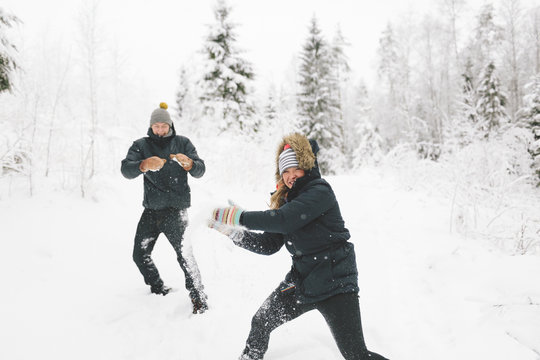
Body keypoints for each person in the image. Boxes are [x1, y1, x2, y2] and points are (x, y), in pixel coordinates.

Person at [208, 133, 389, 360]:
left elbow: (283, 220)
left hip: (336, 283)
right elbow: (269, 245)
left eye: (295, 169)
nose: (291, 175)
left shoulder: (319, 191)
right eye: (285, 171)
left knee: (355, 353)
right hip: (302, 281)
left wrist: (239, 217)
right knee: (261, 322)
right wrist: (234, 233)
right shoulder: (288, 202)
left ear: (306, 167)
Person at [121, 102, 208, 314]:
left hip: (176, 211)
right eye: (156, 126)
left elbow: (200, 169)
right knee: (139, 254)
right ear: (151, 127)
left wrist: (190, 164)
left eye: (163, 126)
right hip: (151, 211)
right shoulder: (141, 145)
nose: (160, 129)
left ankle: (199, 299)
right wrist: (143, 165)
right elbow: (125, 169)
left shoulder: (183, 143)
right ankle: (158, 288)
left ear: (170, 125)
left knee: (185, 256)